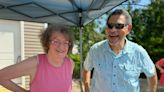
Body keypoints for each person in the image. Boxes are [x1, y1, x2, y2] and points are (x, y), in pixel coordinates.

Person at [83, 9, 157, 92]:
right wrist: (86, 88)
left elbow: (152, 74)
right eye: (110, 25)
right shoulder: (95, 50)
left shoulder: (139, 52)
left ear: (128, 29)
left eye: (118, 26)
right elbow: (86, 68)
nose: (113, 30)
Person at [0, 25, 74, 92]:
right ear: (47, 43)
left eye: (65, 42)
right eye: (56, 41)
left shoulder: (70, 64)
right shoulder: (35, 63)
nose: (61, 46)